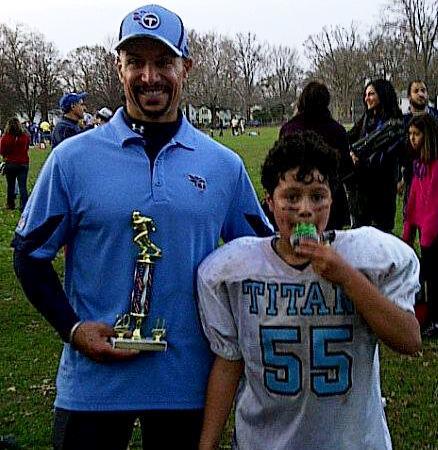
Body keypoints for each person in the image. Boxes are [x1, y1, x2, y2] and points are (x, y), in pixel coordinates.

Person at [12, 4, 272, 450]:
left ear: (185, 67)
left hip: (186, 385)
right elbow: (28, 254)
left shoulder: (223, 166)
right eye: (136, 62)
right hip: (93, 387)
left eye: (163, 62)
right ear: (119, 67)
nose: (149, 76)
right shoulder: (72, 160)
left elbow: (266, 252)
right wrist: (73, 329)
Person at [197, 131, 421, 450]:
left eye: (317, 196)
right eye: (291, 197)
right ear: (269, 203)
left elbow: (410, 340)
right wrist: (207, 444)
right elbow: (229, 361)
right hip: (265, 441)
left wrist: (346, 277)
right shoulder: (234, 269)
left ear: (332, 199)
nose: (305, 209)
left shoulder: (368, 256)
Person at [279, 81, 352, 230]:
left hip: (296, 196)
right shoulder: (337, 130)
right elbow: (346, 168)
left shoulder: (289, 129)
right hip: (329, 196)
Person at [348, 79, 404, 232]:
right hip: (361, 187)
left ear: (382, 94)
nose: (367, 98)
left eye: (371, 94)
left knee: (382, 232)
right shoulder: (366, 119)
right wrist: (351, 152)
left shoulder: (395, 122)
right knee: (360, 231)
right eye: (366, 94)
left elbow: (388, 150)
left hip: (383, 186)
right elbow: (349, 138)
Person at [403, 115, 438, 338]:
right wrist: (408, 231)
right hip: (426, 232)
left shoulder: (435, 167)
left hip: (433, 231)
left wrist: (428, 231)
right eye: (410, 135)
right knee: (427, 276)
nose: (412, 139)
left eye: (416, 134)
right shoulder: (419, 166)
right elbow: (414, 198)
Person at [398, 80, 438, 216]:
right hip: (411, 178)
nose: (421, 94)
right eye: (416, 91)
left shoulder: (435, 117)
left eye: (423, 90)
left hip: (432, 179)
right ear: (409, 96)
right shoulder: (403, 122)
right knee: (409, 219)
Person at [0, 117, 30, 211]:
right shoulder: (25, 136)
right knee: (23, 186)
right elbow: (27, 147)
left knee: (11, 185)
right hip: (23, 163)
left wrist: (6, 156)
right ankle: (25, 205)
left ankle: (10, 204)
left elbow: (1, 150)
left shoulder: (6, 137)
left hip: (11, 163)